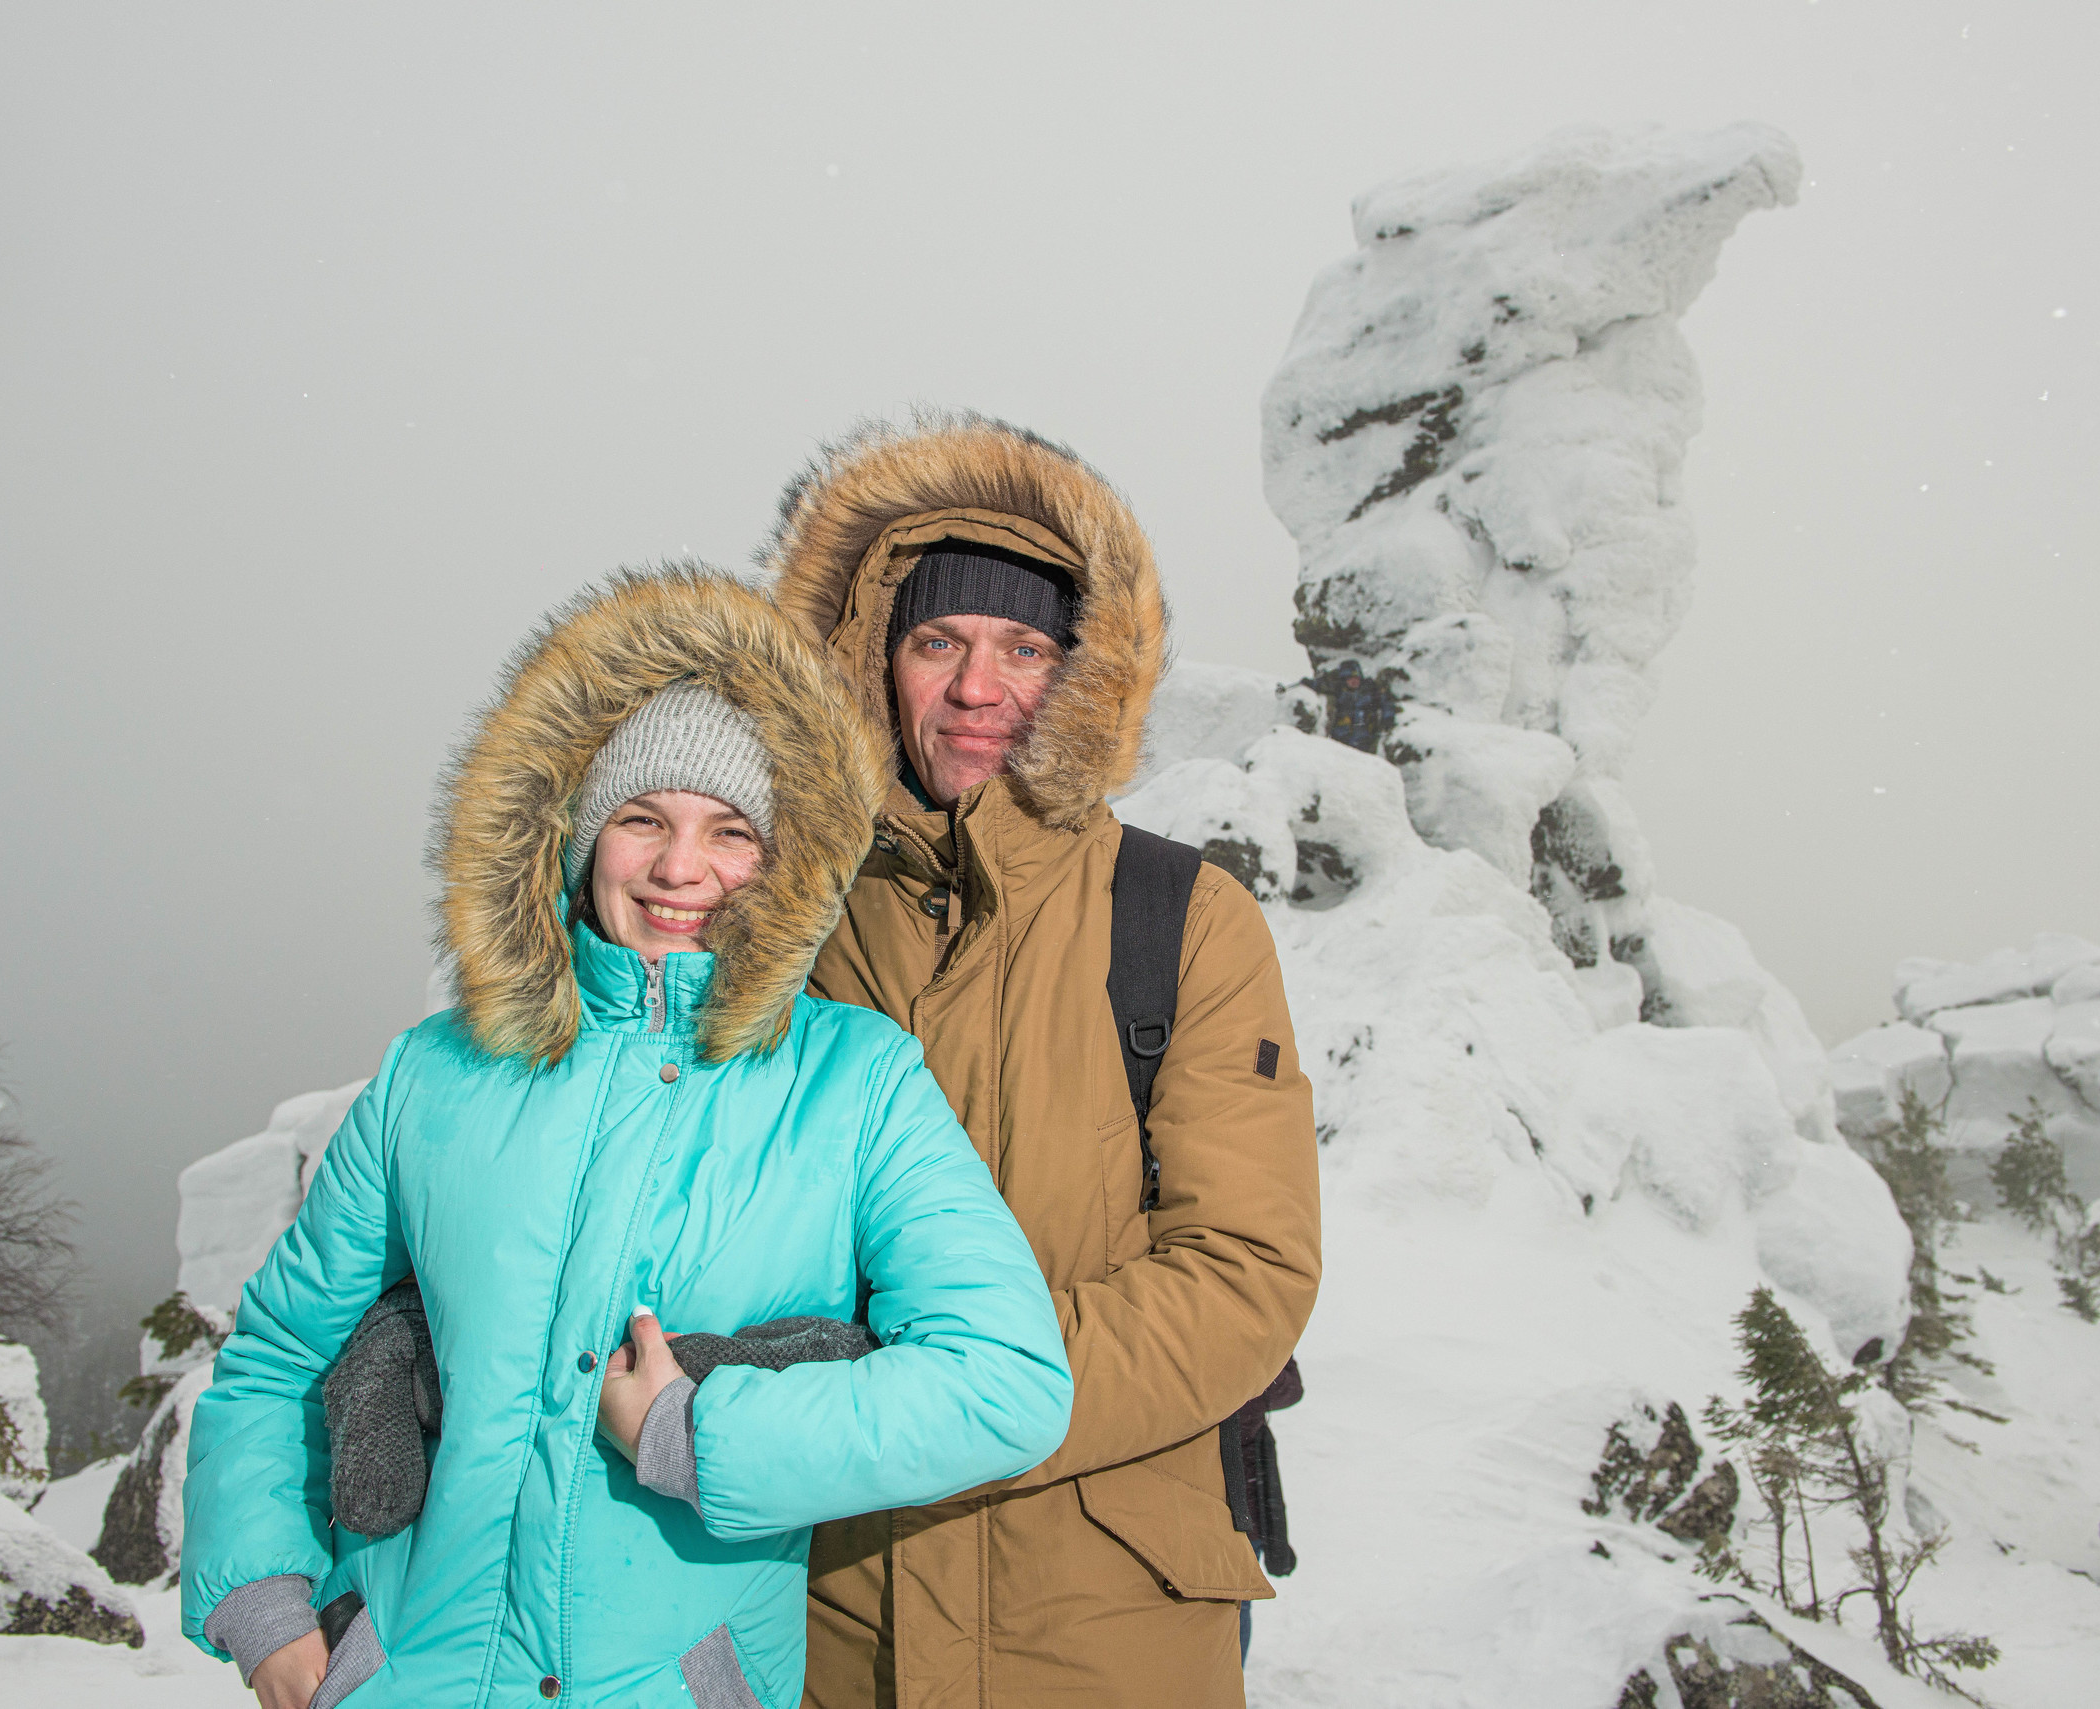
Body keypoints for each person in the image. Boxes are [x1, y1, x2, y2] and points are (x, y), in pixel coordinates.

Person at [178, 567, 1073, 1709]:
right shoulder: (435, 1072)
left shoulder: (854, 1079)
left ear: (786, 858)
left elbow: (1004, 1381)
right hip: (404, 1677)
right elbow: (277, 1356)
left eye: (729, 830)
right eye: (642, 818)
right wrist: (265, 1609)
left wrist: (696, 1433)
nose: (678, 868)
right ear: (578, 833)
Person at [765, 414, 1324, 1707]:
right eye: (937, 640)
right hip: (827, 1623)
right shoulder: (783, 919)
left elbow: (1245, 1273)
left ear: (1083, 673)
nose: (979, 688)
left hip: (1110, 1627)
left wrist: (948, 1399)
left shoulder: (1179, 919)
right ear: (868, 661)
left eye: (1026, 647)